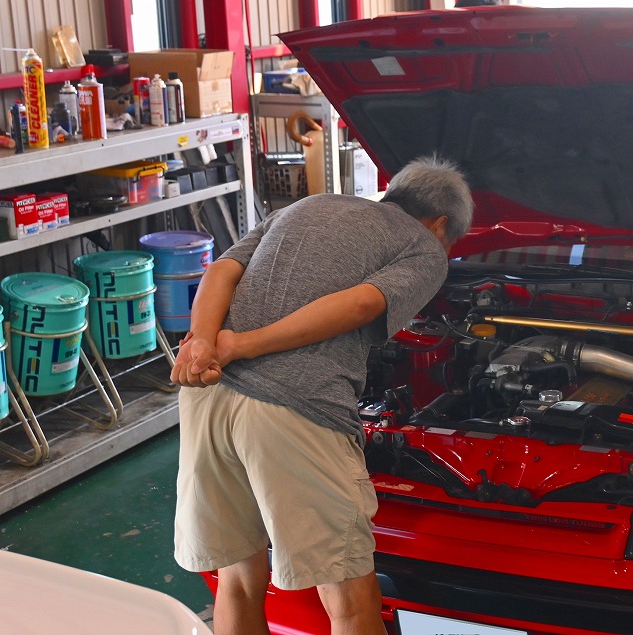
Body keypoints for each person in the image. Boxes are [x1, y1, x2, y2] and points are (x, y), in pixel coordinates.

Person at [171, 155, 473, 635]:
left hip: (208, 395)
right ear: (439, 224)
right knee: (350, 600)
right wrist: (242, 344)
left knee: (238, 581)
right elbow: (360, 304)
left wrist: (206, 343)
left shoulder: (307, 205)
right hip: (295, 408)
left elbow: (221, 270)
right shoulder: (424, 247)